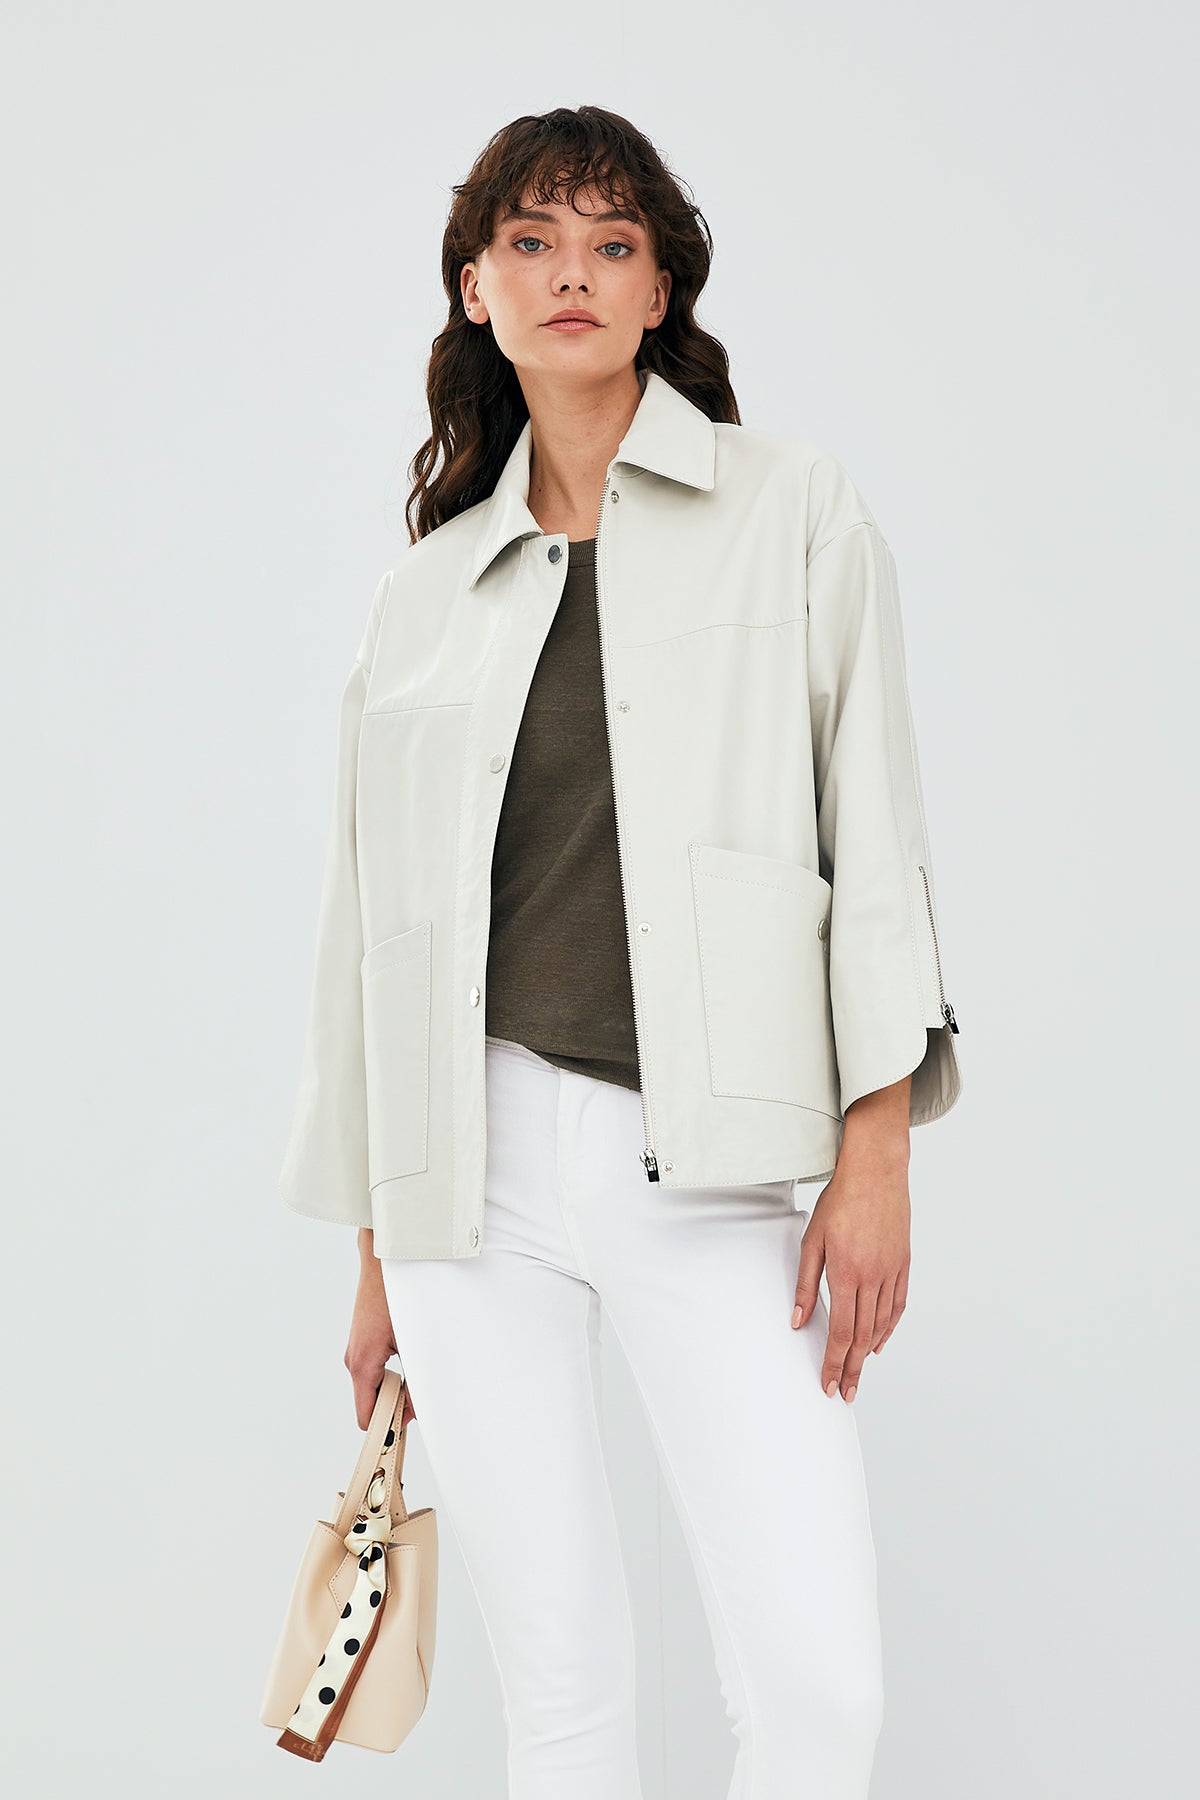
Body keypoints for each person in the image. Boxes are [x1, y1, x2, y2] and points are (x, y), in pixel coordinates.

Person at [281, 104, 962, 1800]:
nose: (569, 273)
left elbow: (872, 836)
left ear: (662, 290)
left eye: (611, 242)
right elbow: (371, 935)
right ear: (476, 288)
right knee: (566, 1704)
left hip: (711, 1164)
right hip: (467, 1190)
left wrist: (875, 1149)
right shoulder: (427, 594)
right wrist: (378, 1246)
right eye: (529, 242)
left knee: (819, 1691)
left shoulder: (792, 509)